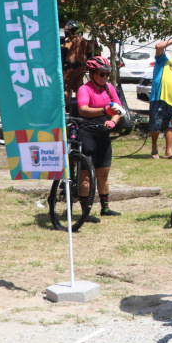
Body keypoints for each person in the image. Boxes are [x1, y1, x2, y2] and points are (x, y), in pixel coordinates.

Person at [76, 56, 124, 221]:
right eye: (101, 74)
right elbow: (83, 109)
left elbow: (118, 110)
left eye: (107, 74)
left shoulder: (109, 88)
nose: (104, 77)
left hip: (103, 133)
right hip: (87, 133)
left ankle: (105, 208)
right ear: (92, 73)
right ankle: (85, 212)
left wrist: (112, 122)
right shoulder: (85, 89)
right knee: (86, 175)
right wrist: (104, 110)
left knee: (103, 172)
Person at [61, 21, 96, 111]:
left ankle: (66, 108)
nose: (66, 31)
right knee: (79, 89)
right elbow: (89, 52)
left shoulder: (69, 41)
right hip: (81, 68)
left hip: (70, 68)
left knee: (66, 88)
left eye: (67, 30)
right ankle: (79, 107)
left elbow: (63, 52)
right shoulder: (83, 41)